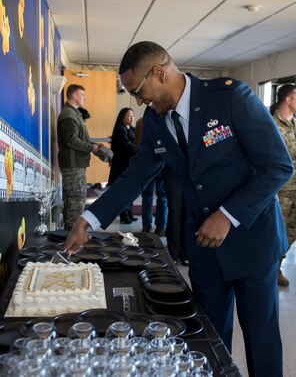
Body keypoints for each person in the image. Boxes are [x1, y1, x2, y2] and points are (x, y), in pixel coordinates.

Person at [64, 41, 293, 377]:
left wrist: (227, 216)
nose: (139, 101)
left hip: (253, 243)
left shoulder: (230, 97)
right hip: (204, 250)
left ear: (159, 72)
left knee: (261, 341)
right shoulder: (156, 121)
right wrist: (88, 218)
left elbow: (278, 166)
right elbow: (134, 178)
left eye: (138, 91)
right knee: (206, 342)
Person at [57, 84, 101, 230]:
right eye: (82, 95)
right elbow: (71, 140)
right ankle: (72, 237)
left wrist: (92, 144)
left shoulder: (74, 113)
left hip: (75, 164)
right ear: (74, 96)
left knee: (73, 200)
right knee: (76, 200)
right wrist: (91, 147)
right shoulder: (69, 115)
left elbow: (76, 137)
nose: (84, 98)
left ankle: (69, 236)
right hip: (73, 164)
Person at [270, 84, 296, 287]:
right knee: (277, 233)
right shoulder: (271, 124)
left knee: (291, 233)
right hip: (281, 191)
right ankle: (271, 269)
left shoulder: (293, 124)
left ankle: (277, 263)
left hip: (295, 189)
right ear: (289, 99)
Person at [135, 116, 168, 235]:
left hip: (145, 166)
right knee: (162, 197)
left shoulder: (140, 122)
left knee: (147, 197)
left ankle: (146, 226)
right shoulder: (163, 119)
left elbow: (137, 144)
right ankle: (161, 227)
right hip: (161, 165)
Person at [108, 107, 137, 224]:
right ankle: (124, 215)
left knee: (129, 191)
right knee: (123, 191)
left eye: (132, 115)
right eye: (129, 115)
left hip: (129, 165)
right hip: (121, 166)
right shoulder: (120, 130)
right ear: (123, 118)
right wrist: (139, 150)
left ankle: (129, 212)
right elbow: (128, 146)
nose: (132, 117)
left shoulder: (133, 129)